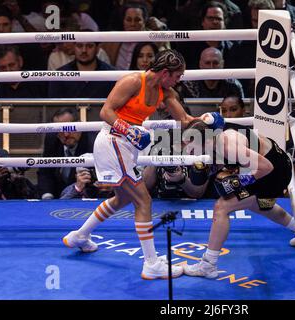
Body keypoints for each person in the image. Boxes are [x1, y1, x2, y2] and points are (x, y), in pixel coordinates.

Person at [62, 49, 224, 280]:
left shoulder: (165, 92)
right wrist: (128, 130)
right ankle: (151, 264)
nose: (179, 81)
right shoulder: (132, 81)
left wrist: (207, 120)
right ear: (166, 72)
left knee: (123, 198)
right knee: (143, 200)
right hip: (113, 141)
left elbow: (185, 121)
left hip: (126, 145)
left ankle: (80, 235)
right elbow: (105, 111)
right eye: (177, 76)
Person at [181, 119, 295, 278]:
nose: (189, 150)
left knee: (222, 207)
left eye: (192, 146)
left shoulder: (229, 147)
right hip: (273, 162)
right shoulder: (213, 136)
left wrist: (240, 181)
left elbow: (266, 167)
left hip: (274, 171)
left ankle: (208, 265)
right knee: (259, 205)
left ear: (206, 140)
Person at [37, 108, 97, 199]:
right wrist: (47, 196)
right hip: (57, 195)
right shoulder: (52, 138)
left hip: (85, 196)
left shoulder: (93, 142)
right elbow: (45, 172)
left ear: (79, 125)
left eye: (69, 129)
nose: (65, 134)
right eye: (60, 130)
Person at [48, 40, 115, 98]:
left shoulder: (112, 75)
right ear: (74, 48)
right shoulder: (59, 76)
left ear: (97, 49)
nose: (84, 50)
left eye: (89, 46)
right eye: (79, 46)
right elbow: (54, 110)